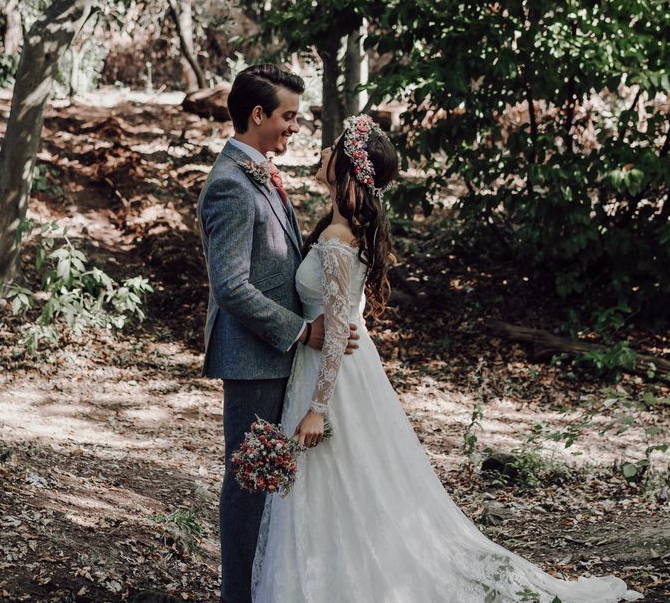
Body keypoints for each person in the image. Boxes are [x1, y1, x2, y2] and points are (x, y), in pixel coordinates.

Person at [251, 114, 643, 603]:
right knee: (345, 485)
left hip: (333, 381)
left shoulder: (336, 241)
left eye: (333, 148)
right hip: (342, 369)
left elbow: (334, 334)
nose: (323, 152)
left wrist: (318, 407)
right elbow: (343, 322)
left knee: (340, 482)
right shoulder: (336, 229)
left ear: (348, 168)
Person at [197, 63, 358, 603]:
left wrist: (327, 320)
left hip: (277, 356)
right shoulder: (229, 187)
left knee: (268, 483)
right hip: (253, 358)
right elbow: (232, 288)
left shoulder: (259, 171)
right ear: (258, 114)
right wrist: (304, 332)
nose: (295, 127)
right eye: (288, 116)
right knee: (249, 483)